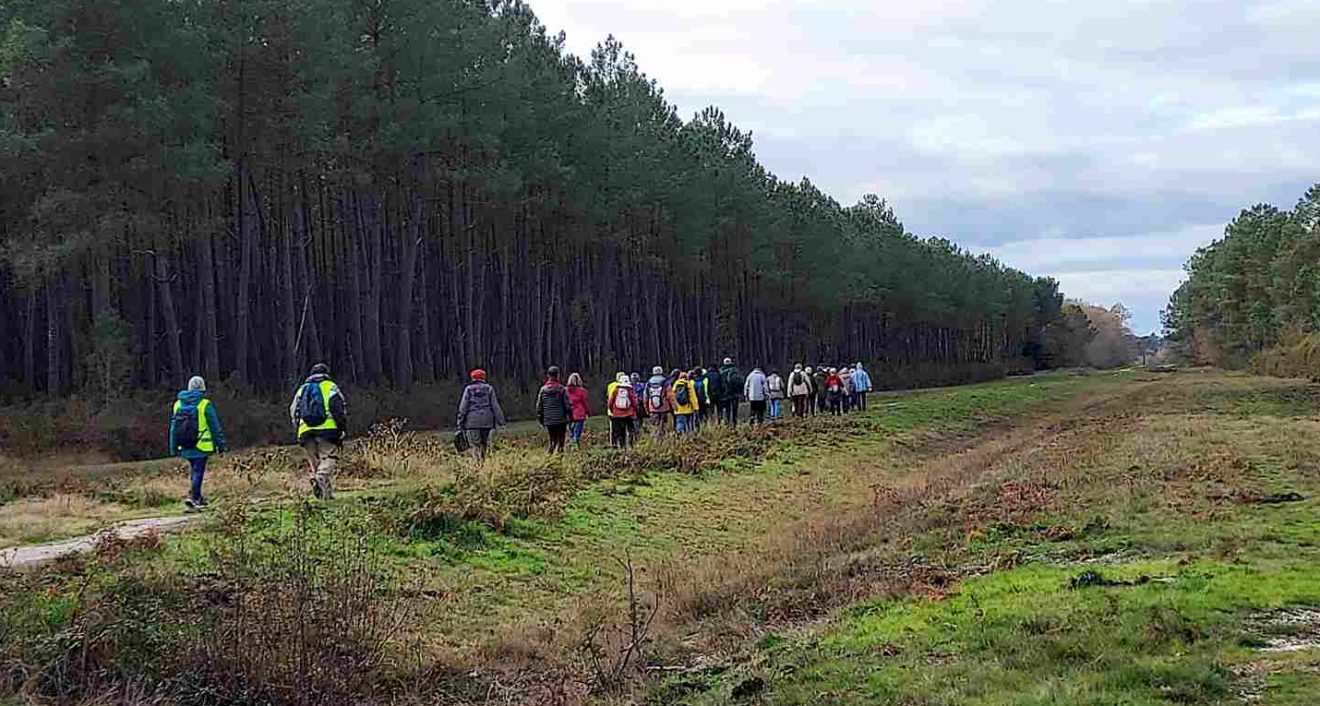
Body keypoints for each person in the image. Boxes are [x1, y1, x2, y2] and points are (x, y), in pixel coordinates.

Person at [169, 376, 229, 511]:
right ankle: (194, 498)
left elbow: (173, 427)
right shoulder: (204, 404)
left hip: (184, 444)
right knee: (198, 471)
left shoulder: (178, 404)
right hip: (202, 445)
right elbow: (214, 426)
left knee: (194, 470)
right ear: (203, 388)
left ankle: (197, 496)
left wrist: (173, 446)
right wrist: (221, 444)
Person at [290, 363, 347, 499]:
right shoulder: (331, 387)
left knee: (315, 462)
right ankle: (320, 479)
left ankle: (326, 494)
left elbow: (293, 410)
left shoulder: (301, 390)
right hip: (328, 429)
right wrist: (342, 428)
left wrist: (298, 429)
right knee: (328, 458)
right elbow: (338, 409)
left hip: (305, 431)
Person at [457, 368, 505, 463]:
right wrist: (501, 421)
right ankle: (483, 463)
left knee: (475, 445)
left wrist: (460, 422)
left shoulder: (468, 390)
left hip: (472, 423)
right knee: (484, 444)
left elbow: (463, 407)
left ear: (472, 378)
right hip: (487, 422)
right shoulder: (489, 389)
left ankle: (477, 465)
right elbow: (495, 406)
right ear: (483, 377)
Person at [536, 366, 573, 453]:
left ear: (548, 375)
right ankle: (559, 460)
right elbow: (567, 405)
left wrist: (541, 419)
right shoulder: (561, 389)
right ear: (557, 375)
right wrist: (571, 417)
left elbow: (539, 406)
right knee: (561, 443)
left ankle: (549, 458)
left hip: (549, 420)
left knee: (552, 441)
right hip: (561, 420)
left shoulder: (543, 390)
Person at [605, 372, 636, 448]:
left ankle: (621, 445)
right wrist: (634, 409)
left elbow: (610, 401)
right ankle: (630, 444)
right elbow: (634, 401)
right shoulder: (630, 389)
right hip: (629, 413)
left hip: (617, 413)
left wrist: (611, 410)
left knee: (619, 431)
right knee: (630, 429)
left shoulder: (616, 389)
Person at [644, 366, 672, 438]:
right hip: (664, 407)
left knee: (655, 425)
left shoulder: (648, 383)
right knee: (663, 424)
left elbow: (645, 396)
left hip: (652, 407)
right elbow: (669, 395)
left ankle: (655, 439)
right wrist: (674, 406)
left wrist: (646, 408)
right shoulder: (665, 382)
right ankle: (662, 439)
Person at [716, 358, 744, 427]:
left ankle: (727, 423)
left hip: (725, 394)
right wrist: (740, 391)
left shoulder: (720, 371)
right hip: (735, 394)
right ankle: (734, 423)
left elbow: (718, 384)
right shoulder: (735, 370)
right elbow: (740, 381)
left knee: (727, 410)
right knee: (734, 410)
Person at [566, 373, 591, 448]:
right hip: (579, 414)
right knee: (577, 433)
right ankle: (576, 446)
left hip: (569, 414)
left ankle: (571, 446)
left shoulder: (565, 390)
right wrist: (588, 412)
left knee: (571, 432)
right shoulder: (581, 391)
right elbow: (586, 403)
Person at [630, 373, 647, 439]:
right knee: (640, 419)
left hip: (632, 405)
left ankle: (635, 433)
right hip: (640, 404)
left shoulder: (629, 386)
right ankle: (639, 432)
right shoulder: (643, 385)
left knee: (634, 419)